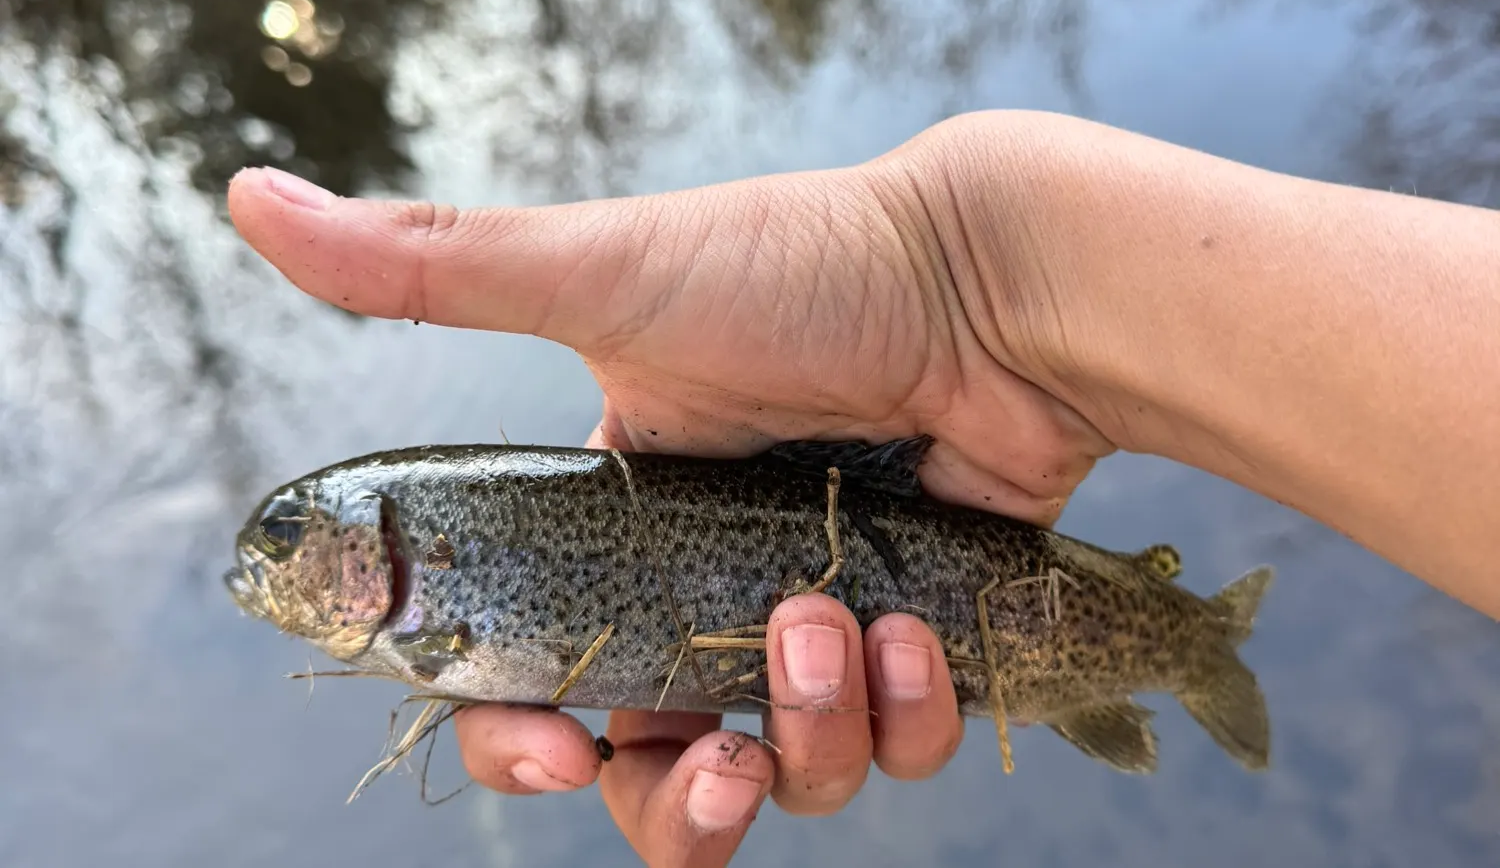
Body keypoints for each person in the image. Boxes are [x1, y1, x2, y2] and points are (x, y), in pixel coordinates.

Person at [228, 109, 1500, 868]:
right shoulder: (427, 625)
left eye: (291, 537)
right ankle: (1185, 637)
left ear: (378, 547)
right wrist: (974, 291)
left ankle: (1190, 634)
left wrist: (968, 275)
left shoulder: (433, 628)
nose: (271, 564)